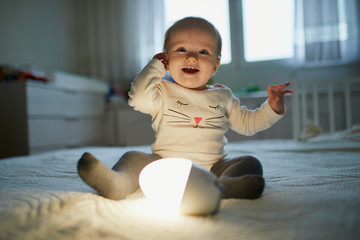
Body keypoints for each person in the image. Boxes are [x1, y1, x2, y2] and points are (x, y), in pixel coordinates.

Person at [77, 17, 292, 201]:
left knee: (249, 162)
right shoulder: (162, 91)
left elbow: (248, 124)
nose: (192, 57)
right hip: (163, 166)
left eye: (203, 51)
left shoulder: (222, 95)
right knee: (132, 158)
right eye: (181, 49)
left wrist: (272, 107)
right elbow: (138, 99)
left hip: (213, 169)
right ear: (167, 61)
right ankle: (117, 183)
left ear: (216, 65)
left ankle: (226, 187)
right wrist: (154, 68)